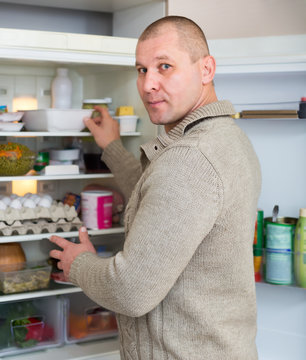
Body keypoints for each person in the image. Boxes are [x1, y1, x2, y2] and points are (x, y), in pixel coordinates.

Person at [49, 16, 261, 360]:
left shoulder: (191, 159)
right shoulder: (227, 140)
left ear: (206, 69)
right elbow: (163, 204)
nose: (148, 84)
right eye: (141, 70)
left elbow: (131, 290)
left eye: (165, 66)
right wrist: (113, 147)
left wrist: (79, 264)